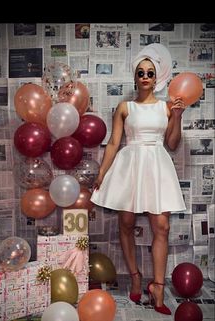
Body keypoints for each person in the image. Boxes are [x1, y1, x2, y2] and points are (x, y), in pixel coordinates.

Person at [91, 43, 186, 315]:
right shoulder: (125, 107)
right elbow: (112, 144)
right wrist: (101, 172)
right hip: (130, 165)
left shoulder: (166, 109)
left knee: (162, 226)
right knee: (127, 222)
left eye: (150, 73)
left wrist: (177, 116)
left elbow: (172, 143)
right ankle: (134, 275)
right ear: (135, 77)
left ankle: (157, 286)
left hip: (157, 164)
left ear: (157, 79)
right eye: (141, 72)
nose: (145, 76)